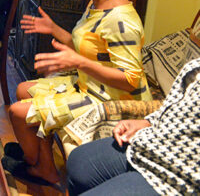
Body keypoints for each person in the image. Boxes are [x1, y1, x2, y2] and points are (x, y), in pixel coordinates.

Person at [3, 0, 152, 185]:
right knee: (22, 89)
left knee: (18, 113)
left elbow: (130, 80)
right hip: (90, 83)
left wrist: (79, 63)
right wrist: (53, 29)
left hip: (111, 99)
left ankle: (33, 162)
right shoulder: (96, 1)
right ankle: (45, 166)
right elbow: (86, 48)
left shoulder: (121, 21)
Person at [66, 58, 200, 195]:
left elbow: (131, 78)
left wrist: (81, 62)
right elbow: (181, 104)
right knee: (79, 162)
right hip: (154, 142)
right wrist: (149, 121)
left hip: (178, 174)